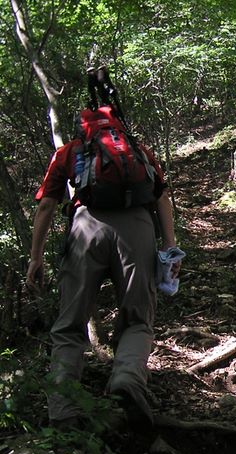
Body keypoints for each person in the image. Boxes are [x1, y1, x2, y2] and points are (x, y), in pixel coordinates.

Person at [26, 114, 180, 432]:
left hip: (87, 228)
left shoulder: (69, 151)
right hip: (137, 228)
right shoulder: (139, 151)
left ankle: (63, 412)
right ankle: (127, 379)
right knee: (137, 319)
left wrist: (35, 257)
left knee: (69, 325)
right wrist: (169, 244)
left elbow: (46, 205)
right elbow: (162, 197)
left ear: (84, 129)